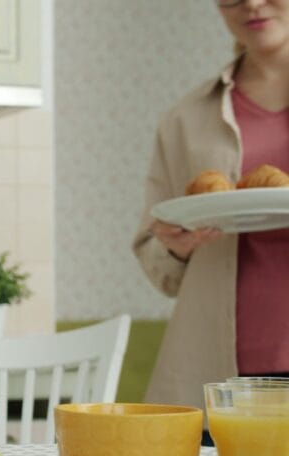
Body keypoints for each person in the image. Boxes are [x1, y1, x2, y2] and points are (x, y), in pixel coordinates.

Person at [133, 0, 289, 425]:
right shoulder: (186, 118)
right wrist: (177, 247)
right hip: (218, 375)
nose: (252, 3)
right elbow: (156, 261)